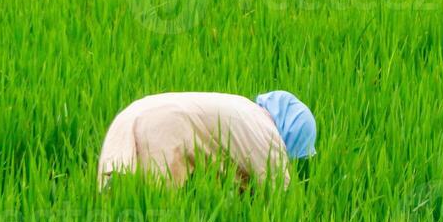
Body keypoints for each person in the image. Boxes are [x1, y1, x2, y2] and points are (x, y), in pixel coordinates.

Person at [97, 91, 316, 190]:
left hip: (130, 116)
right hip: (164, 133)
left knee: (116, 203)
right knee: (155, 219)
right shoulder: (268, 136)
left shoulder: (245, 108)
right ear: (293, 136)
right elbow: (282, 198)